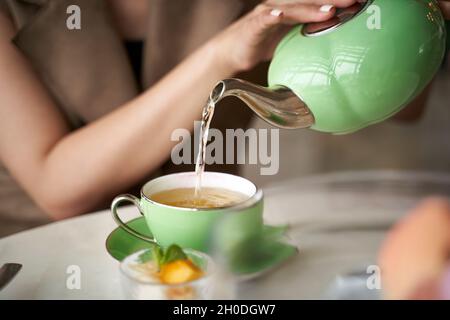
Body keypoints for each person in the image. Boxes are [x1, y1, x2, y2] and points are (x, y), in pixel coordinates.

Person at [0, 0, 361, 236]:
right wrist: (222, 54)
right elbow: (58, 187)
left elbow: (402, 109)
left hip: (216, 252)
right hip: (43, 260)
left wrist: (372, 18)